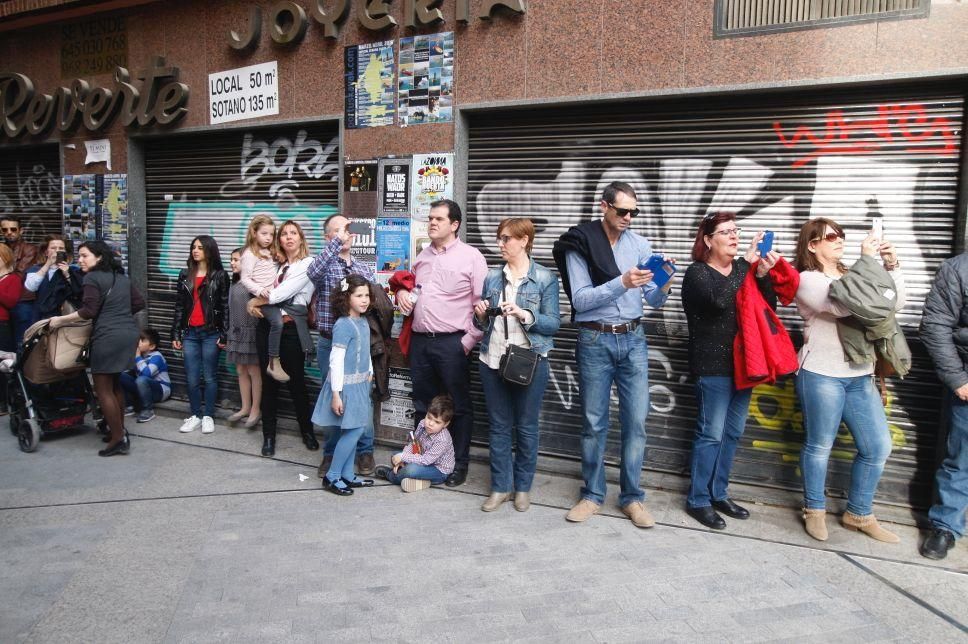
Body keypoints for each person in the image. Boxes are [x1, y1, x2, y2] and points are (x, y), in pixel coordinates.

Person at [552, 181, 674, 528]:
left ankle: (632, 498)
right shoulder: (581, 243)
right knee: (594, 423)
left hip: (633, 339)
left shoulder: (639, 244)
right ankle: (592, 494)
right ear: (604, 206)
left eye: (634, 212)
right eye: (622, 211)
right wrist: (622, 282)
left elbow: (653, 299)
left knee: (636, 422)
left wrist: (664, 280)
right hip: (595, 340)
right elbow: (580, 301)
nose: (629, 217)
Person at [793, 217, 903, 543]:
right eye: (831, 237)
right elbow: (844, 305)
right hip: (821, 374)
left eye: (841, 235)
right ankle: (814, 510)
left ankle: (859, 513)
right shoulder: (807, 280)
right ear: (813, 245)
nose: (839, 240)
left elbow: (894, 302)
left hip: (859, 374)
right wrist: (868, 264)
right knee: (819, 445)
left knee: (878, 446)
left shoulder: (850, 274)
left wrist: (891, 264)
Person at [680, 213, 780, 529]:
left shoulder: (742, 269)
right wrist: (746, 267)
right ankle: (698, 500)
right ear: (708, 240)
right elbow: (719, 302)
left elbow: (769, 308)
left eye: (736, 231)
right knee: (711, 433)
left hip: (745, 364)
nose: (735, 236)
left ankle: (718, 492)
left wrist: (762, 275)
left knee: (732, 433)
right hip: (712, 367)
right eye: (726, 232)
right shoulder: (697, 274)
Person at [395, 199, 487, 487]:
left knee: (457, 406)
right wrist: (401, 298)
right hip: (421, 342)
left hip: (452, 344)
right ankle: (421, 461)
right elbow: (413, 293)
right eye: (430, 218)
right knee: (422, 406)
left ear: (454, 224)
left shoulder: (472, 257)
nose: (432, 223)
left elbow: (481, 305)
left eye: (439, 219)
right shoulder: (422, 257)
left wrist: (467, 342)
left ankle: (457, 464)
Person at [473, 218, 560, 512]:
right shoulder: (492, 278)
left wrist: (525, 314)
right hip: (492, 358)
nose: (501, 244)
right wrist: (481, 314)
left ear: (524, 241)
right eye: (500, 238)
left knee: (526, 427)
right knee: (498, 426)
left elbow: (553, 324)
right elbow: (479, 322)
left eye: (506, 238)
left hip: (529, 361)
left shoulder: (545, 278)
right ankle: (500, 487)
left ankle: (522, 488)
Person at [48, 241, 144, 456]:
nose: (80, 260)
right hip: (128, 333)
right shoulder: (121, 277)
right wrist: (118, 313)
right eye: (79, 256)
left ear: (99, 257)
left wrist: (60, 320)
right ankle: (118, 431)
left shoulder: (91, 278)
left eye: (84, 256)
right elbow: (139, 303)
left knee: (102, 389)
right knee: (115, 384)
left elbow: (89, 311)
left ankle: (118, 438)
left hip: (107, 336)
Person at [306, 214, 377, 477]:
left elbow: (376, 298)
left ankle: (365, 450)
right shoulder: (323, 264)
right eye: (338, 230)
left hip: (360, 345)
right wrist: (337, 243)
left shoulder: (364, 268)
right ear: (328, 237)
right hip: (330, 344)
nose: (345, 233)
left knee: (362, 398)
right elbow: (313, 272)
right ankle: (331, 453)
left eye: (347, 229)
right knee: (334, 399)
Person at [247, 220, 318, 457]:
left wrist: (254, 301)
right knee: (269, 384)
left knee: (297, 383)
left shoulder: (308, 264)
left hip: (290, 330)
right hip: (266, 328)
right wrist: (256, 298)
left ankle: (307, 431)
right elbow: (256, 284)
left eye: (293, 233)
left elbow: (279, 294)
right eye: (284, 234)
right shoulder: (274, 265)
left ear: (301, 239)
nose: (288, 237)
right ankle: (268, 436)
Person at [918, 252, 968, 559]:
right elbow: (935, 325)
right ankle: (945, 527)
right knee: (961, 460)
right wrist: (958, 379)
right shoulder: (958, 268)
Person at [311, 275, 374, 495]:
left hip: (360, 384)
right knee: (354, 431)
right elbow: (335, 361)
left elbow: (365, 351)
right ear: (346, 298)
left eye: (367, 295)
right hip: (345, 387)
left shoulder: (363, 321)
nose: (364, 300)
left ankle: (347, 475)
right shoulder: (343, 325)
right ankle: (332, 476)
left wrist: (370, 373)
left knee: (353, 429)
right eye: (359, 296)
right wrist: (336, 394)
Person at [171, 236, 229, 436]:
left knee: (211, 376)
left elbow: (225, 306)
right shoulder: (185, 274)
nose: (195, 251)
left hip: (211, 333)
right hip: (190, 334)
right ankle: (195, 414)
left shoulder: (220, 275)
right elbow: (179, 306)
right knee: (192, 376)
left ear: (209, 251)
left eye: (200, 248)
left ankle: (208, 416)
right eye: (193, 247)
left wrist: (225, 334)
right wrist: (176, 332)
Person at [239, 214, 289, 382]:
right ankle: (273, 360)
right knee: (277, 322)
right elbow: (245, 279)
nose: (268, 238)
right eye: (264, 233)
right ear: (254, 232)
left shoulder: (270, 250)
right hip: (264, 298)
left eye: (271, 234)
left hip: (276, 295)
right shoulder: (249, 254)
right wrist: (260, 290)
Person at [375, 394, 456, 493]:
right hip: (421, 458)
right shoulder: (423, 424)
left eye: (437, 422)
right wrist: (402, 458)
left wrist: (403, 457)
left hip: (438, 471)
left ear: (446, 424)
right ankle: (419, 480)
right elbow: (413, 443)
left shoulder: (442, 439)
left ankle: (391, 476)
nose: (430, 423)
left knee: (411, 470)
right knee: (395, 455)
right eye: (429, 417)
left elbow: (426, 460)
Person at [225, 247, 262, 428]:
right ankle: (245, 407)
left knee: (254, 372)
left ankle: (256, 409)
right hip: (236, 332)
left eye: (236, 260)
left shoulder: (252, 284)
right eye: (231, 260)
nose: (232, 263)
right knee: (241, 371)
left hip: (251, 332)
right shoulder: (234, 283)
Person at [23, 234, 83, 320]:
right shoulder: (36, 269)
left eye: (61, 248)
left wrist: (67, 274)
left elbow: (79, 291)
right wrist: (47, 264)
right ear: (46, 252)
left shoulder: (74, 269)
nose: (57, 251)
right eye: (53, 248)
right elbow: (31, 287)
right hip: (41, 316)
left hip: (66, 316)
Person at [2, 216, 40, 347]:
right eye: (5, 229)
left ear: (21, 230)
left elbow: (19, 274)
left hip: (22, 300)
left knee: (21, 340)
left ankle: (20, 367)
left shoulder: (30, 249)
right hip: (4, 300)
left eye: (13, 229)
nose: (9, 232)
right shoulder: (2, 249)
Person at [120, 327, 170, 423]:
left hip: (160, 391)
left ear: (151, 346)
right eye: (138, 340)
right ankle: (129, 405)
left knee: (142, 379)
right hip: (143, 389)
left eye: (142, 341)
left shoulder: (157, 357)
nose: (138, 343)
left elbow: (147, 374)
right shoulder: (139, 356)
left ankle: (148, 410)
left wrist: (138, 357)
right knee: (120, 375)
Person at [0, 243, 23, 412]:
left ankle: (3, 402)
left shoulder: (13, 279)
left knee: (3, 365)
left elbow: (11, 301)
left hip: (3, 325)